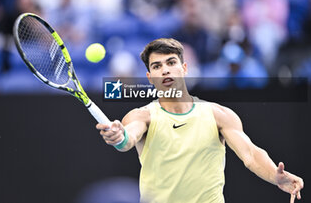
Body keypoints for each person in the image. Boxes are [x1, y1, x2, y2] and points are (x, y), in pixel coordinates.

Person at [96, 38, 304, 203]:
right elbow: (127, 139)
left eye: (171, 63)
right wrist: (119, 136)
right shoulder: (142, 116)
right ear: (150, 78)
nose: (165, 70)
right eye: (157, 66)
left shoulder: (219, 115)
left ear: (184, 68)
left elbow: (250, 153)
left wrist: (274, 176)